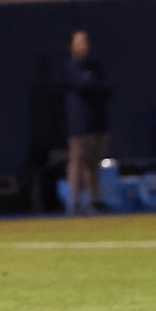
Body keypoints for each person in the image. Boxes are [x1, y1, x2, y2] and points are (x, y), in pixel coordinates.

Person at [60, 29, 110, 214]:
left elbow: (105, 87)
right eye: (79, 41)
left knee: (94, 164)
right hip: (79, 125)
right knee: (77, 163)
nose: (84, 45)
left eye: (86, 41)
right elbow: (83, 86)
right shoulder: (70, 68)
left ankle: (94, 200)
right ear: (71, 45)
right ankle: (74, 202)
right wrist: (95, 87)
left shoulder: (95, 67)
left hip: (97, 122)